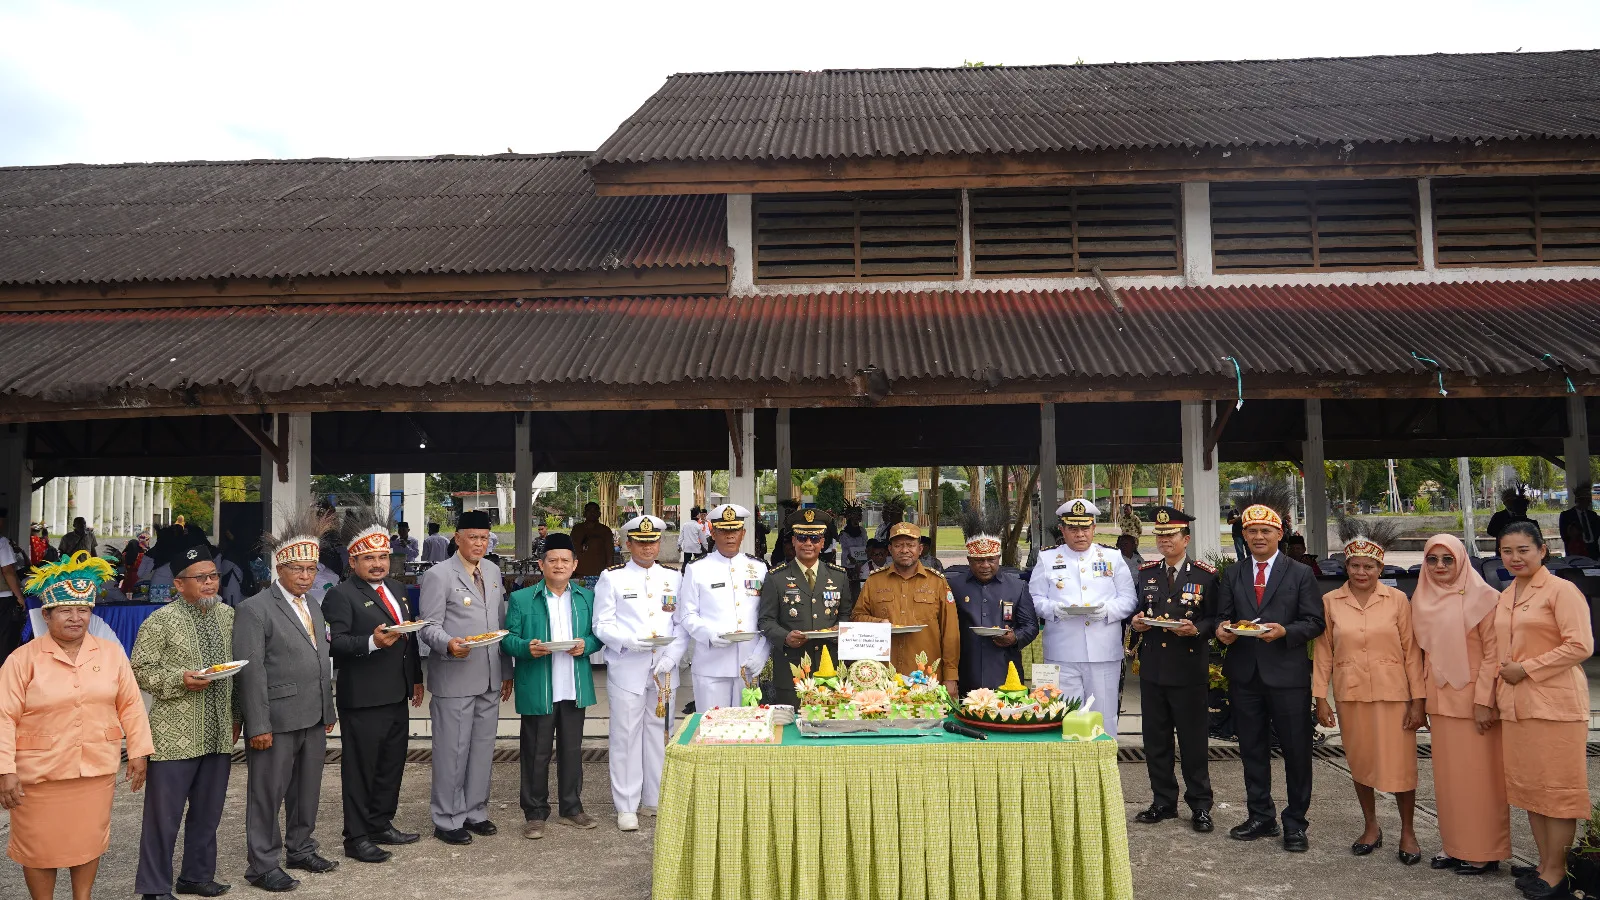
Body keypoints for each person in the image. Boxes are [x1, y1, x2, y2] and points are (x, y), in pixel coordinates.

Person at [0, 551, 153, 900]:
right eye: (65, 610)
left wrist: (139, 752)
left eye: (83, 610)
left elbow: (131, 705)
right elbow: (3, 716)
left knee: (88, 841)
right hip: (38, 776)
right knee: (38, 847)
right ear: (46, 614)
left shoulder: (110, 654)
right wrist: (5, 769)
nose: (75, 618)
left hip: (94, 772)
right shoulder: (22, 660)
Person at [233, 508, 340, 892]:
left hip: (312, 714)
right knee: (267, 793)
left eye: (311, 569)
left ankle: (301, 848)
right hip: (276, 719)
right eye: (298, 569)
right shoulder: (254, 609)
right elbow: (251, 671)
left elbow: (320, 658)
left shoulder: (314, 605)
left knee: (307, 790)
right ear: (279, 568)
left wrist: (328, 708)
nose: (306, 576)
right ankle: (262, 865)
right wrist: (257, 724)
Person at [1485, 521, 1593, 898]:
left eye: (1523, 550)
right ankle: (1545, 864)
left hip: (1555, 706)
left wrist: (1527, 668)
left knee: (1557, 793)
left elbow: (1580, 645)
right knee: (1531, 791)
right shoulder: (1507, 594)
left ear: (1542, 550)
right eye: (1506, 551)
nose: (1514, 558)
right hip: (1517, 707)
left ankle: (1558, 874)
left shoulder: (1562, 591)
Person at [1312, 523, 1425, 864]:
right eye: (1355, 566)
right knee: (1360, 762)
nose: (1361, 572)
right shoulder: (1330, 602)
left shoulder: (1397, 600)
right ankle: (1371, 826)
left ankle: (1408, 831)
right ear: (1346, 567)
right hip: (1351, 693)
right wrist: (1320, 697)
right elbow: (1324, 651)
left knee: (1401, 765)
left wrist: (1418, 701)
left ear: (1380, 567)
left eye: (1369, 566)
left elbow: (1412, 652)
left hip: (1395, 695)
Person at [1214, 503, 1325, 852]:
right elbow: (1222, 617)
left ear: (1279, 534)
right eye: (1252, 531)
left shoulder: (1300, 573)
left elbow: (1315, 622)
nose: (1258, 536)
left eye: (1265, 531)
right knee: (1252, 749)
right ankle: (1261, 816)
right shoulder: (1233, 573)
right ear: (1243, 536)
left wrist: (1285, 631)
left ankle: (1296, 823)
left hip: (1288, 677)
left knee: (1296, 751)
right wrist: (1222, 631)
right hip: (1245, 675)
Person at [130, 542, 236, 900]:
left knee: (208, 812)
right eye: (200, 578)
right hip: (174, 735)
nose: (209, 584)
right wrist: (179, 679)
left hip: (218, 730)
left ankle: (196, 876)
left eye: (213, 577)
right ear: (178, 584)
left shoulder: (227, 616)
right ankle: (154, 888)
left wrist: (237, 717)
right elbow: (140, 670)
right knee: (164, 816)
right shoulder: (159, 621)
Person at [322, 509, 424, 864]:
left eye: (382, 557)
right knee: (360, 770)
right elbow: (334, 643)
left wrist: (416, 679)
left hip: (396, 692)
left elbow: (409, 638)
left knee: (391, 764)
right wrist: (371, 642)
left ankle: (380, 823)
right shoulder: (340, 595)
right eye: (369, 558)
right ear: (353, 561)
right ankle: (356, 837)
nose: (378, 564)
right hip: (363, 697)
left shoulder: (397, 588)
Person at [1409, 534, 1509, 875]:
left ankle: (1484, 850)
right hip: (1441, 702)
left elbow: (1494, 654)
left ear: (1462, 561)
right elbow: (1423, 655)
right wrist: (1421, 701)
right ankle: (1456, 846)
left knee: (1480, 780)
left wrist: (1485, 701)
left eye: (1447, 559)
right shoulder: (1422, 598)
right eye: (1432, 559)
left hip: (1474, 703)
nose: (1439, 566)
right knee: (1449, 781)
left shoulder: (1485, 598)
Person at [418, 510, 512, 845]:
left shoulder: (493, 571)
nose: (479, 544)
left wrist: (507, 670)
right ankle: (446, 818)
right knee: (452, 751)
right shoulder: (439, 575)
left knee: (483, 749)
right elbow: (428, 626)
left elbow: (500, 624)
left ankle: (475, 812)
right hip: (455, 675)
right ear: (457, 538)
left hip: (489, 676)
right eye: (472, 537)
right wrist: (448, 644)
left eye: (484, 538)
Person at [502, 533, 601, 839]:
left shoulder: (587, 597)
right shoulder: (521, 598)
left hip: (574, 686)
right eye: (553, 560)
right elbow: (507, 639)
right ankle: (534, 813)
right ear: (541, 564)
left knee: (572, 750)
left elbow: (598, 636)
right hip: (538, 686)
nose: (559, 565)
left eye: (565, 560)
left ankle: (571, 808)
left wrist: (586, 645)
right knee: (536, 752)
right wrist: (526, 648)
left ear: (575, 565)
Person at [592, 514, 686, 832]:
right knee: (626, 736)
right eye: (641, 542)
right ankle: (626, 805)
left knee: (661, 733)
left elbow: (681, 624)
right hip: (628, 667)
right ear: (628, 544)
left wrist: (672, 657)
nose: (648, 548)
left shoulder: (673, 577)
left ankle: (654, 799)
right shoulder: (613, 578)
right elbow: (602, 624)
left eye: (653, 542)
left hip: (663, 670)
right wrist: (628, 641)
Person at [1129, 507, 1219, 833]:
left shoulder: (1205, 576)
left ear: (1186, 539)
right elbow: (1138, 612)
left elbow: (1216, 619)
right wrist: (1137, 623)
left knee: (1193, 743)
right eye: (1160, 535)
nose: (1165, 540)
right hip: (1154, 670)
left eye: (1171, 535)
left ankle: (1200, 806)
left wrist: (1197, 629)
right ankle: (1163, 801)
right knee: (1156, 742)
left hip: (1188, 670)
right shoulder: (1147, 573)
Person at [1028, 499, 1137, 736]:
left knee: (1104, 717)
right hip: (1062, 652)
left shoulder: (1112, 557)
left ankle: (1104, 758)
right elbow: (1034, 599)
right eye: (1073, 528)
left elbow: (1129, 599)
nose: (1080, 534)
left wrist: (1107, 610)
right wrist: (1053, 610)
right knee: (1061, 716)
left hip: (1103, 652)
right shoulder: (1048, 559)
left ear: (1094, 528)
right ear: (1063, 529)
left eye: (1085, 528)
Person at [680, 504, 770, 711]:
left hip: (749, 662)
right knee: (712, 726)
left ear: (743, 533)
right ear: (713, 534)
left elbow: (768, 615)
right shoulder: (697, 568)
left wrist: (762, 653)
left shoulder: (759, 567)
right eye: (723, 531)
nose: (730, 536)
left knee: (747, 726)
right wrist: (709, 635)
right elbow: (687, 614)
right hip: (711, 664)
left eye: (735, 530)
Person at [759, 508, 852, 708]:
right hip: (792, 667)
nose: (808, 543)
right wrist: (785, 637)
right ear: (793, 541)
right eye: (802, 538)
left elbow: (846, 614)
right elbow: (766, 620)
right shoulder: (776, 577)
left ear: (822, 542)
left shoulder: (839, 576)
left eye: (814, 538)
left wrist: (840, 629)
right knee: (791, 723)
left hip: (829, 665)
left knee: (829, 719)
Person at [855, 521, 959, 695]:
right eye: (898, 545)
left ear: (920, 549)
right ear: (890, 549)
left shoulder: (937, 582)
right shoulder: (874, 581)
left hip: (926, 676)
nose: (904, 550)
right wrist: (878, 622)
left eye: (910, 545)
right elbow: (857, 617)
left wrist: (950, 676)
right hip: (883, 676)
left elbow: (950, 632)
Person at [949, 516, 1037, 695]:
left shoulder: (1017, 587)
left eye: (991, 560)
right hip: (966, 670)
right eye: (979, 560)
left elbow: (1031, 626)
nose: (985, 565)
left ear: (999, 558)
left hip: (1005, 670)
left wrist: (1015, 637)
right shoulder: (954, 586)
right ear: (969, 560)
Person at [0, 508, 25, 665]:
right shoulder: (2, 542)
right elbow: (8, 571)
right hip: (3, 597)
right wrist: (20, 597)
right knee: (4, 637)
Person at [570, 502, 615, 586]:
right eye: (589, 510)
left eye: (594, 511)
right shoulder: (577, 529)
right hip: (578, 574)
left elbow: (610, 553)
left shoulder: (605, 531)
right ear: (584, 513)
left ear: (599, 514)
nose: (592, 513)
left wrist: (609, 572)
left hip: (599, 575)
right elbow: (571, 550)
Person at [1558, 482, 1600, 560]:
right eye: (1586, 500)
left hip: (1593, 552)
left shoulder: (1592, 515)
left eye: (1589, 500)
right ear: (1579, 500)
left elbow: (1597, 533)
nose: (1588, 503)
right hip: (1576, 552)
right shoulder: (1566, 516)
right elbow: (1564, 536)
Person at [837, 504, 868, 592]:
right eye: (853, 519)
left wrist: (862, 560)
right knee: (848, 586)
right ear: (849, 519)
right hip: (848, 563)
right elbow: (845, 549)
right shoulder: (844, 533)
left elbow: (865, 546)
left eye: (857, 519)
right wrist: (851, 559)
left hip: (860, 563)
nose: (856, 521)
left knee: (858, 586)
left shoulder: (862, 531)